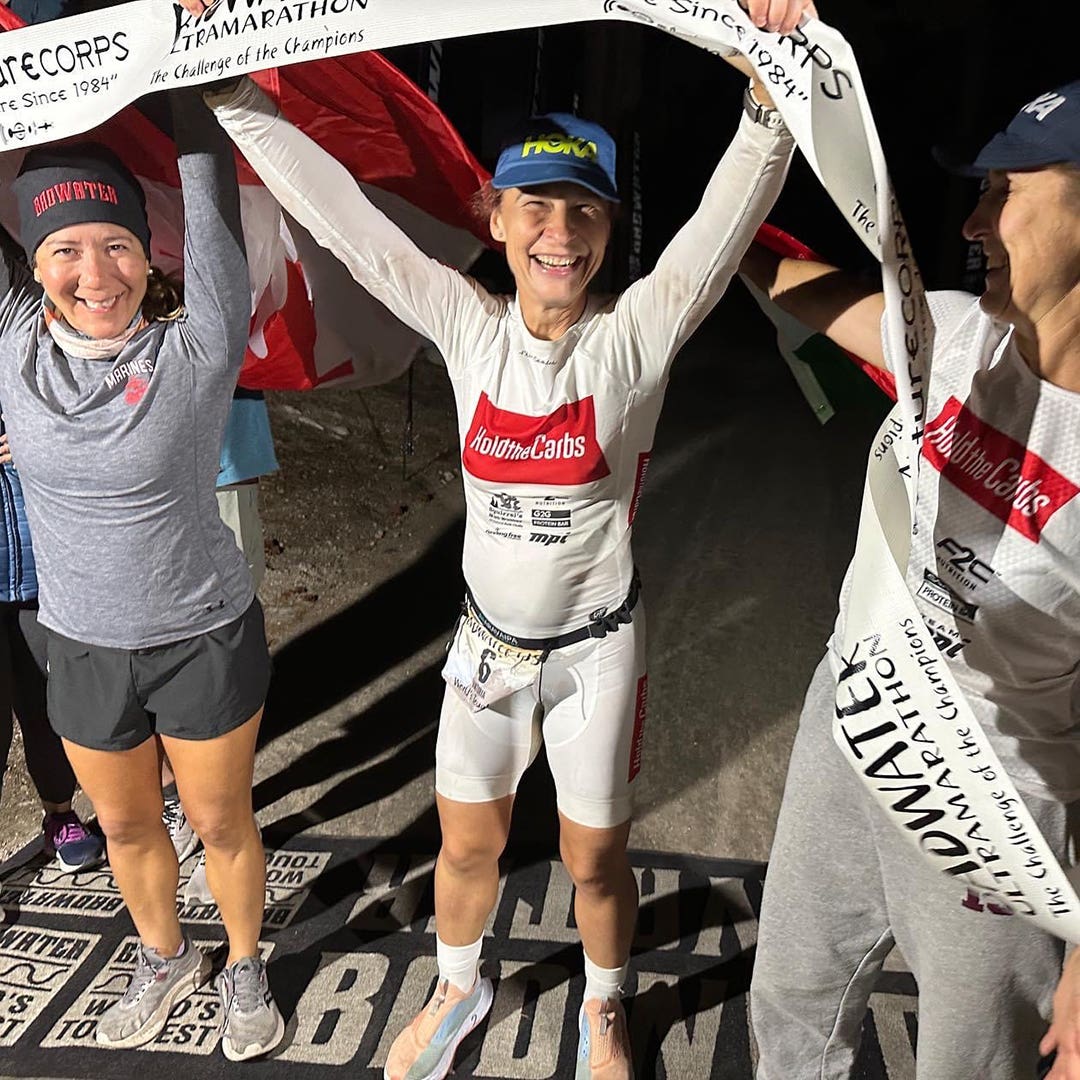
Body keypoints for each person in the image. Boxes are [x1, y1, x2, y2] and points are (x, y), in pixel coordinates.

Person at [187, 3, 813, 1075]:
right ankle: (459, 991)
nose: (558, 232)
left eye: (583, 210)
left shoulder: (635, 342)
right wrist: (233, 94)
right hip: (483, 658)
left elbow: (719, 228)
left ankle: (606, 1007)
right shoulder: (469, 326)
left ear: (611, 229)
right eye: (535, 206)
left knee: (595, 861)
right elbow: (346, 220)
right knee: (465, 848)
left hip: (596, 657)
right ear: (495, 213)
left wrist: (769, 100)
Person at [740, 80, 1080, 1079]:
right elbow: (790, 281)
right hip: (850, 724)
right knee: (793, 1006)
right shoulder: (957, 336)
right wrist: (765, 102)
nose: (971, 222)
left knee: (971, 1061)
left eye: (1002, 191)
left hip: (992, 811)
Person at [0, 90, 282, 1060]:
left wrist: (192, 75)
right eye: (65, 249)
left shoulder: (193, 348)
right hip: (81, 645)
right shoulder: (11, 346)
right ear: (30, 262)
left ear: (147, 251)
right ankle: (164, 955)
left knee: (218, 822)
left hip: (200, 633)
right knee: (124, 831)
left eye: (116, 243)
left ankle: (244, 964)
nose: (95, 271)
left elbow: (210, 189)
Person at [163, 386, 279, 897]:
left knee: (219, 660)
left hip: (220, 463)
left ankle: (226, 838)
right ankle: (184, 809)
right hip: (139, 476)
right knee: (154, 650)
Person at [0, 424, 103, 874]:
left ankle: (59, 814)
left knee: (49, 706)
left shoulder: (26, 361)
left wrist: (36, 445)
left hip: (41, 575)